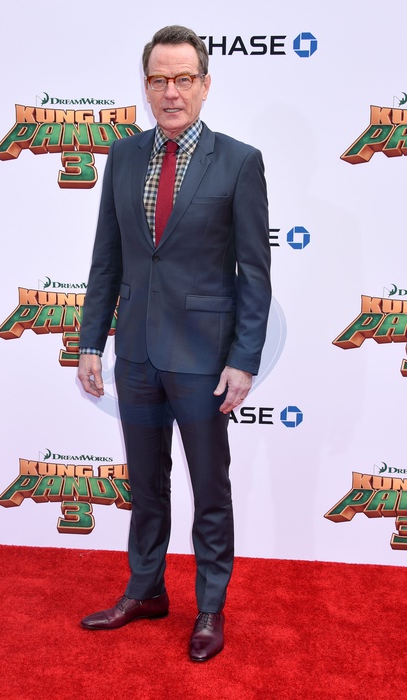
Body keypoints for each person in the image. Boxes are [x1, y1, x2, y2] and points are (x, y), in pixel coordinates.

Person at [77, 25, 271, 662]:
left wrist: (243, 359)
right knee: (146, 484)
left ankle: (210, 606)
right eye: (159, 79)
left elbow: (254, 272)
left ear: (205, 85)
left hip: (203, 359)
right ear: (146, 86)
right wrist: (90, 342)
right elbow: (107, 260)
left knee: (210, 488)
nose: (171, 92)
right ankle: (146, 590)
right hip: (135, 353)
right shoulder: (123, 156)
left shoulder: (239, 161)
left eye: (184, 79)